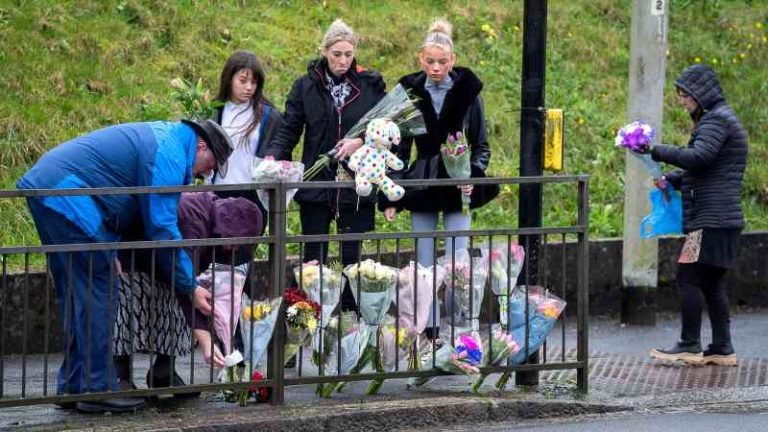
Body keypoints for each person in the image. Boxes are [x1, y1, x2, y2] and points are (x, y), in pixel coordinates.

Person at [16, 119, 233, 413]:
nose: (207, 172)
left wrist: (111, 243)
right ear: (202, 145)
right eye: (211, 163)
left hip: (52, 188)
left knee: (77, 293)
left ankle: (72, 385)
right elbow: (162, 228)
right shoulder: (169, 153)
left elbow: (116, 191)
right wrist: (190, 285)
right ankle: (97, 387)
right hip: (67, 194)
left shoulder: (165, 137)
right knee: (99, 290)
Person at [382, 19, 498, 345]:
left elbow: (482, 145)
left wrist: (472, 176)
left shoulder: (469, 93)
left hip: (458, 184)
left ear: (453, 58)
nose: (436, 68)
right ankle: (428, 332)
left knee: (459, 262)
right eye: (430, 61)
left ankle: (461, 327)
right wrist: (392, 195)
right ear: (420, 58)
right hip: (422, 182)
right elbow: (398, 148)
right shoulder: (409, 92)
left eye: (442, 62)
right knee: (423, 261)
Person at [265, 19, 386, 312]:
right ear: (325, 51)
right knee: (312, 256)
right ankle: (308, 319)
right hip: (317, 181)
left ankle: (349, 321)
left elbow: (386, 130)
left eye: (348, 54)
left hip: (355, 182)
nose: (343, 60)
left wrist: (361, 141)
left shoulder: (370, 85)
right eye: (336, 54)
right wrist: (273, 155)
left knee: (351, 258)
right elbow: (290, 128)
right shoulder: (305, 86)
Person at [647, 64, 748, 366]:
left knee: (688, 276)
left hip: (709, 219)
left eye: (684, 95)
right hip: (723, 219)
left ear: (699, 94)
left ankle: (690, 343)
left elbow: (699, 157)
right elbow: (707, 167)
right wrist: (673, 179)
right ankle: (721, 347)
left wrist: (657, 150)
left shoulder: (715, 120)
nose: (681, 101)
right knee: (712, 282)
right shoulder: (723, 118)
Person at [112, 192, 263, 392]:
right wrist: (207, 341)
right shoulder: (194, 221)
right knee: (130, 310)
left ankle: (163, 372)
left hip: (166, 267)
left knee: (180, 312)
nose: (235, 248)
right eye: (237, 241)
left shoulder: (213, 222)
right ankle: (120, 377)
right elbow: (187, 285)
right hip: (135, 260)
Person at [212, 50, 283, 230]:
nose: (249, 87)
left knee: (244, 251)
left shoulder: (268, 115)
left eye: (253, 82)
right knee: (218, 251)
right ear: (229, 78)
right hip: (218, 191)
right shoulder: (214, 111)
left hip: (253, 194)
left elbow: (280, 147)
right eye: (243, 81)